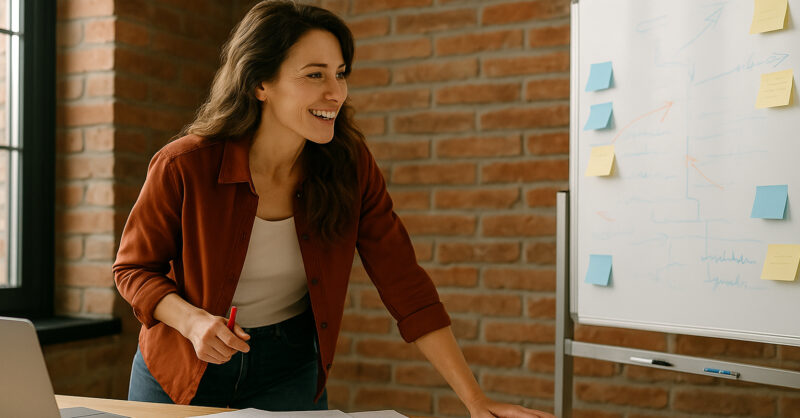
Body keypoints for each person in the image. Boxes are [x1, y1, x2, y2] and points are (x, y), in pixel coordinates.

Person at [113, 1, 554, 417]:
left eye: (340, 74)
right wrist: (192, 322)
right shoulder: (183, 165)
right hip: (180, 365)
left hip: (289, 369)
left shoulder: (351, 166)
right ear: (259, 84)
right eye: (314, 75)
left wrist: (476, 403)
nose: (335, 92)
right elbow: (133, 269)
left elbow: (406, 285)